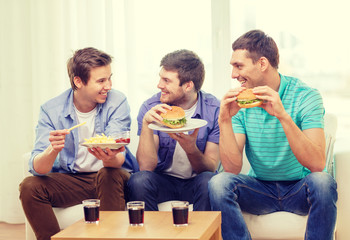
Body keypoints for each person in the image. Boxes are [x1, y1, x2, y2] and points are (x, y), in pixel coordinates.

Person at [208, 30, 337, 240]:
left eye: (238, 66)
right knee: (218, 183)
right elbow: (231, 169)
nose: (233, 75)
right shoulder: (240, 103)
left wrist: (283, 116)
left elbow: (316, 164)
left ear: (262, 63)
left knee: (323, 182)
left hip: (299, 188)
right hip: (260, 189)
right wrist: (224, 120)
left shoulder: (306, 96)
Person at [19, 47, 138, 240]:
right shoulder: (51, 110)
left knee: (108, 174)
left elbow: (119, 160)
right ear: (78, 81)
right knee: (29, 186)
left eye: (109, 78)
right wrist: (52, 149)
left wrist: (108, 157)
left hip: (111, 176)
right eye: (101, 81)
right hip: (74, 180)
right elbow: (38, 168)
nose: (108, 85)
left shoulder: (117, 101)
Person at [127, 49, 220, 211]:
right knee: (138, 180)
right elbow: (145, 167)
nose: (159, 85)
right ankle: (151, 235)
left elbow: (210, 167)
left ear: (188, 85)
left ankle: (201, 235)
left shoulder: (214, 109)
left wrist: (191, 150)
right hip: (163, 181)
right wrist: (147, 125)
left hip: (197, 182)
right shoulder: (151, 107)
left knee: (209, 181)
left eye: (166, 80)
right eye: (160, 78)